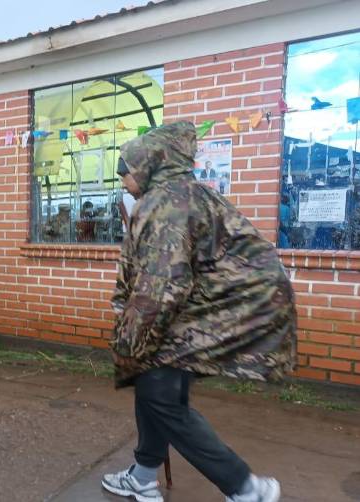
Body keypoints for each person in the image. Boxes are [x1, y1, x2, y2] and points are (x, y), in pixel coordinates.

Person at [103, 122, 296, 502]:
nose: (124, 182)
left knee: (162, 398)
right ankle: (143, 476)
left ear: (147, 166)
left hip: (213, 308)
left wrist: (129, 340)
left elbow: (162, 287)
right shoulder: (184, 193)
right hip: (204, 307)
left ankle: (246, 488)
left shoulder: (164, 205)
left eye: (126, 173)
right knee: (156, 389)